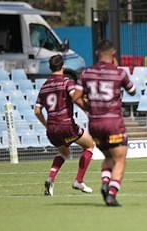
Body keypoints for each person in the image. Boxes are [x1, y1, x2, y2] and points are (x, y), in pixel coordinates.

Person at [73, 39, 136, 206]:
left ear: (97, 54)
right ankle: (112, 193)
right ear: (113, 53)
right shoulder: (119, 73)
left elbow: (75, 97)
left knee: (108, 155)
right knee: (120, 159)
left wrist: (89, 109)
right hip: (113, 122)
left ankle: (105, 181)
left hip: (94, 124)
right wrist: (116, 67)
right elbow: (132, 90)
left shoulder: (86, 73)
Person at [34, 54, 95, 196]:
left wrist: (46, 124)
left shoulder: (44, 87)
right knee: (90, 145)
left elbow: (37, 111)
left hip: (52, 129)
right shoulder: (66, 82)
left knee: (64, 152)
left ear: (50, 68)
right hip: (66, 125)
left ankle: (50, 178)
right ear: (63, 66)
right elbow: (75, 97)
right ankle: (78, 180)